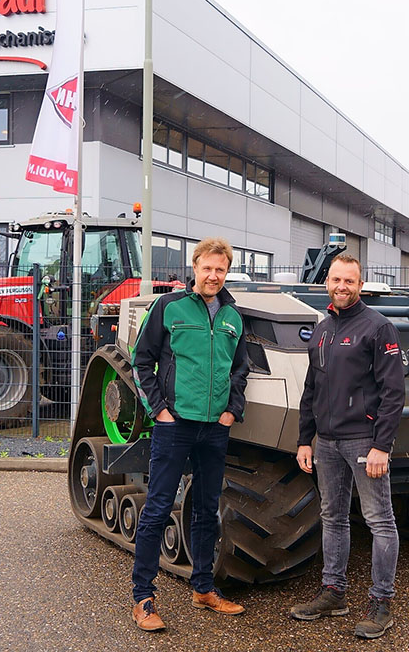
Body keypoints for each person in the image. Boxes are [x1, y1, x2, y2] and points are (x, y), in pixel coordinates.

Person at [129, 237, 250, 632]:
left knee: (205, 509)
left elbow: (239, 369)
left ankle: (203, 587)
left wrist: (233, 411)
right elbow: (141, 360)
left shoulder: (233, 316)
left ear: (226, 272)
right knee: (159, 507)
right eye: (207, 268)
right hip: (175, 424)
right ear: (194, 269)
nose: (213, 275)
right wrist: (159, 411)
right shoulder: (168, 308)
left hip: (215, 427)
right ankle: (143, 599)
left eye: (221, 269)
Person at [289, 254, 405, 640]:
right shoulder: (322, 329)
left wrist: (381, 446)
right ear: (328, 283)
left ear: (360, 284)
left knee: (380, 521)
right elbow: (312, 390)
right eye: (336, 279)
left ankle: (381, 602)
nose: (342, 286)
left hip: (363, 441)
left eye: (349, 281)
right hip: (327, 443)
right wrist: (305, 439)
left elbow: (393, 392)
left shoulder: (378, 327)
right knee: (333, 517)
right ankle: (333, 592)